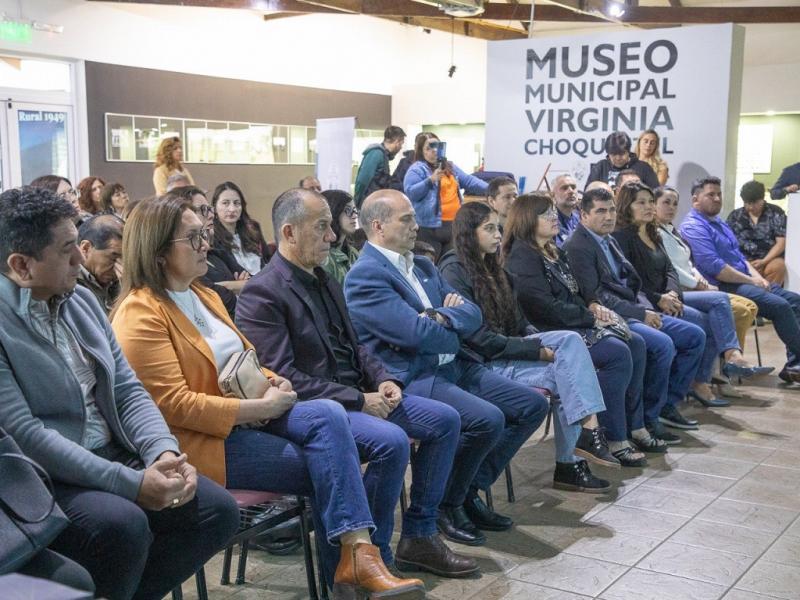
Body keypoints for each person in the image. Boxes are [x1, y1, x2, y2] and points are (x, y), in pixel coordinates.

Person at [111, 195, 425, 599]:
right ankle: (356, 567)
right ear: (156, 252)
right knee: (331, 458)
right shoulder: (141, 312)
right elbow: (171, 405)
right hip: (203, 442)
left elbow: (250, 361)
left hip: (250, 419)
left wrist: (276, 382)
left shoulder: (203, 295)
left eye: (205, 234)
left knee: (330, 421)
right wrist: (256, 407)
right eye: (194, 237)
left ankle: (357, 564)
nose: (207, 243)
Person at [0, 186, 239, 600]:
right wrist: (130, 483)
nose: (81, 259)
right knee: (121, 525)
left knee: (216, 511)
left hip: (112, 452)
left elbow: (127, 389)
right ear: (21, 266)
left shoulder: (80, 303)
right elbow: (27, 434)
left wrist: (163, 453)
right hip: (46, 477)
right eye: (67, 250)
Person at [235, 187, 477, 579]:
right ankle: (369, 557)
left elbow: (357, 347)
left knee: (445, 421)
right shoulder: (262, 293)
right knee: (390, 442)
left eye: (331, 227)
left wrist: (384, 380)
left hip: (356, 396)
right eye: (322, 227)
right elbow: (282, 376)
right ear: (289, 232)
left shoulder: (326, 280)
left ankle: (419, 535)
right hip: (312, 408)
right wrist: (358, 398)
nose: (333, 236)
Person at [345, 189, 548, 546]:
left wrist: (439, 317)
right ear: (377, 226)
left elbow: (472, 314)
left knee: (532, 405)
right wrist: (448, 324)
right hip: (415, 376)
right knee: (487, 419)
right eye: (406, 219)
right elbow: (416, 334)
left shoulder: (422, 265)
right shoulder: (365, 277)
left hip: (456, 365)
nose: (416, 225)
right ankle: (442, 507)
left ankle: (465, 491)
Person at [440, 201, 620, 489]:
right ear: (468, 234)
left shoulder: (494, 268)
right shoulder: (454, 271)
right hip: (480, 364)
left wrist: (536, 340)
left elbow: (521, 323)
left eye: (498, 227)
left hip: (506, 352)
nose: (498, 235)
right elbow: (478, 339)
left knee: (570, 350)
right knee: (569, 369)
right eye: (489, 229)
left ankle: (579, 450)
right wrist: (536, 350)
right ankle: (575, 456)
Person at [504, 193, 653, 466]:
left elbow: (584, 290)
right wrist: (590, 318)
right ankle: (612, 436)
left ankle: (634, 425)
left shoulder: (553, 250)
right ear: (527, 220)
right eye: (545, 214)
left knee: (636, 344)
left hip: (574, 321)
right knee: (617, 353)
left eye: (552, 212)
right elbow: (543, 307)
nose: (554, 218)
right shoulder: (522, 256)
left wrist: (595, 305)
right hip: (548, 330)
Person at [614, 182, 772, 417]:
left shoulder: (653, 232)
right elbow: (635, 282)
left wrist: (672, 293)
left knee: (718, 315)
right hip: (648, 304)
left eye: (650, 202)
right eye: (642, 202)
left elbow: (670, 271)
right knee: (707, 320)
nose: (650, 207)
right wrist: (661, 298)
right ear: (628, 206)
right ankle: (685, 391)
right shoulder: (623, 238)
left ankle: (694, 385)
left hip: (670, 296)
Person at [564, 187, 705, 444]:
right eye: (600, 211)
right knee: (662, 344)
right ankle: (647, 420)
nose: (608, 216)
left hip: (635, 309)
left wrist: (647, 307)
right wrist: (641, 313)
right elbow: (595, 296)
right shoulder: (578, 246)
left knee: (694, 335)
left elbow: (633, 284)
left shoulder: (609, 239)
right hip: (610, 317)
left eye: (611, 210)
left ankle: (664, 407)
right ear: (583, 215)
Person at [680, 176, 800, 384]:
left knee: (795, 300)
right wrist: (752, 280)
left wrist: (758, 277)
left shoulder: (719, 222)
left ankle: (794, 364)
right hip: (724, 285)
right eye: (711, 195)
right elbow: (716, 268)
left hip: (745, 279)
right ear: (695, 200)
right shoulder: (693, 227)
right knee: (780, 306)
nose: (717, 199)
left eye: (719, 194)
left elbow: (739, 257)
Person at [654, 186, 760, 399]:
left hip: (692, 286)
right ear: (653, 204)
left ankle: (716, 372)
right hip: (677, 291)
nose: (672, 208)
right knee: (723, 305)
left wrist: (698, 278)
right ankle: (727, 361)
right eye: (666, 202)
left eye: (675, 203)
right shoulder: (654, 232)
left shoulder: (671, 230)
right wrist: (697, 283)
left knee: (746, 307)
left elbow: (687, 262)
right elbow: (671, 270)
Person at [403, 132, 488, 260]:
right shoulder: (417, 169)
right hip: (429, 228)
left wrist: (492, 189)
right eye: (429, 148)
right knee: (429, 263)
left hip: (453, 225)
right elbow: (411, 193)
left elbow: (469, 181)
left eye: (437, 146)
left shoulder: (450, 167)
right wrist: (430, 181)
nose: (434, 151)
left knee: (451, 261)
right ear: (422, 151)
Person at [170, 185, 244, 319]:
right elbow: (224, 300)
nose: (211, 215)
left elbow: (253, 282)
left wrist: (227, 286)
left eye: (209, 208)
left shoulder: (215, 251)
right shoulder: (184, 259)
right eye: (203, 210)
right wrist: (236, 286)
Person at [727, 180, 787, 286]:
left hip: (769, 259)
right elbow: (727, 242)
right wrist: (746, 263)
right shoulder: (735, 216)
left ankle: (772, 298)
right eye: (747, 203)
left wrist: (763, 261)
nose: (750, 207)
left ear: (762, 199)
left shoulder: (775, 212)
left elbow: (781, 242)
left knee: (778, 266)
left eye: (754, 203)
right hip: (744, 260)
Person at [212, 181, 269, 276]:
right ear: (215, 207)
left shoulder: (253, 230)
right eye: (225, 203)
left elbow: (267, 260)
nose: (232, 209)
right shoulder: (212, 239)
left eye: (237, 203)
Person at [76, 214, 124, 314]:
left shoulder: (119, 280)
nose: (120, 266)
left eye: (125, 259)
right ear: (86, 248)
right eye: (113, 257)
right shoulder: (69, 285)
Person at [584, 131, 659, 191]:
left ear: (628, 151)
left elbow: (656, 193)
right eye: (613, 154)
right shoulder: (600, 167)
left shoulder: (644, 168)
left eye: (622, 154)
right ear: (608, 153)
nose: (618, 158)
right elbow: (588, 193)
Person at [354, 126, 406, 208]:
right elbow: (363, 180)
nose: (401, 147)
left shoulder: (382, 155)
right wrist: (358, 202)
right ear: (397, 142)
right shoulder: (377, 154)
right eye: (401, 144)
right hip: (368, 205)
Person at [320, 189, 360, 284]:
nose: (354, 216)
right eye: (348, 210)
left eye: (354, 210)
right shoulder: (324, 257)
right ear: (333, 212)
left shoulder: (353, 253)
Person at [552, 174, 580, 247]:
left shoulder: (582, 219)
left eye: (573, 187)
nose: (571, 191)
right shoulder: (549, 221)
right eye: (564, 188)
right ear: (553, 195)